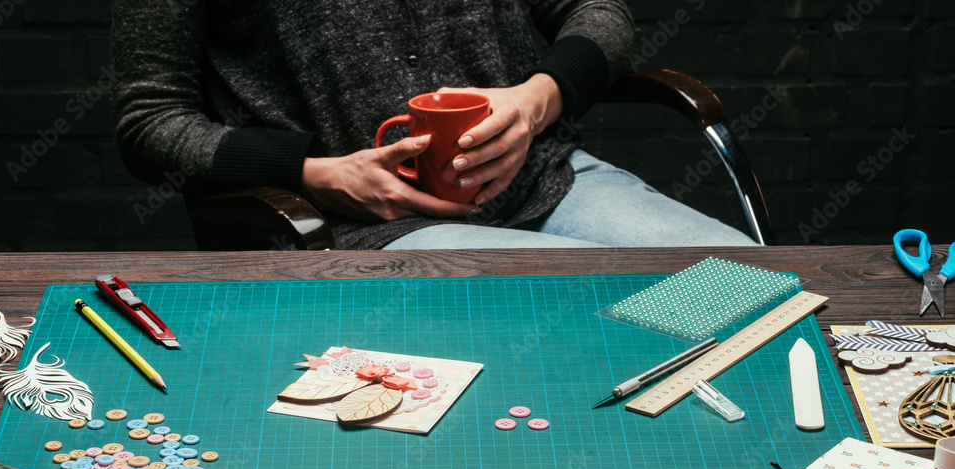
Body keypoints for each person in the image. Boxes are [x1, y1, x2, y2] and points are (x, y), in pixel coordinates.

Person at [111, 0, 755, 249]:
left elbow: (600, 12)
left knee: (759, 292)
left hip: (549, 181)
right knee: (606, 308)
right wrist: (316, 174)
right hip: (371, 226)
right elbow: (149, 121)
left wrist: (536, 100)